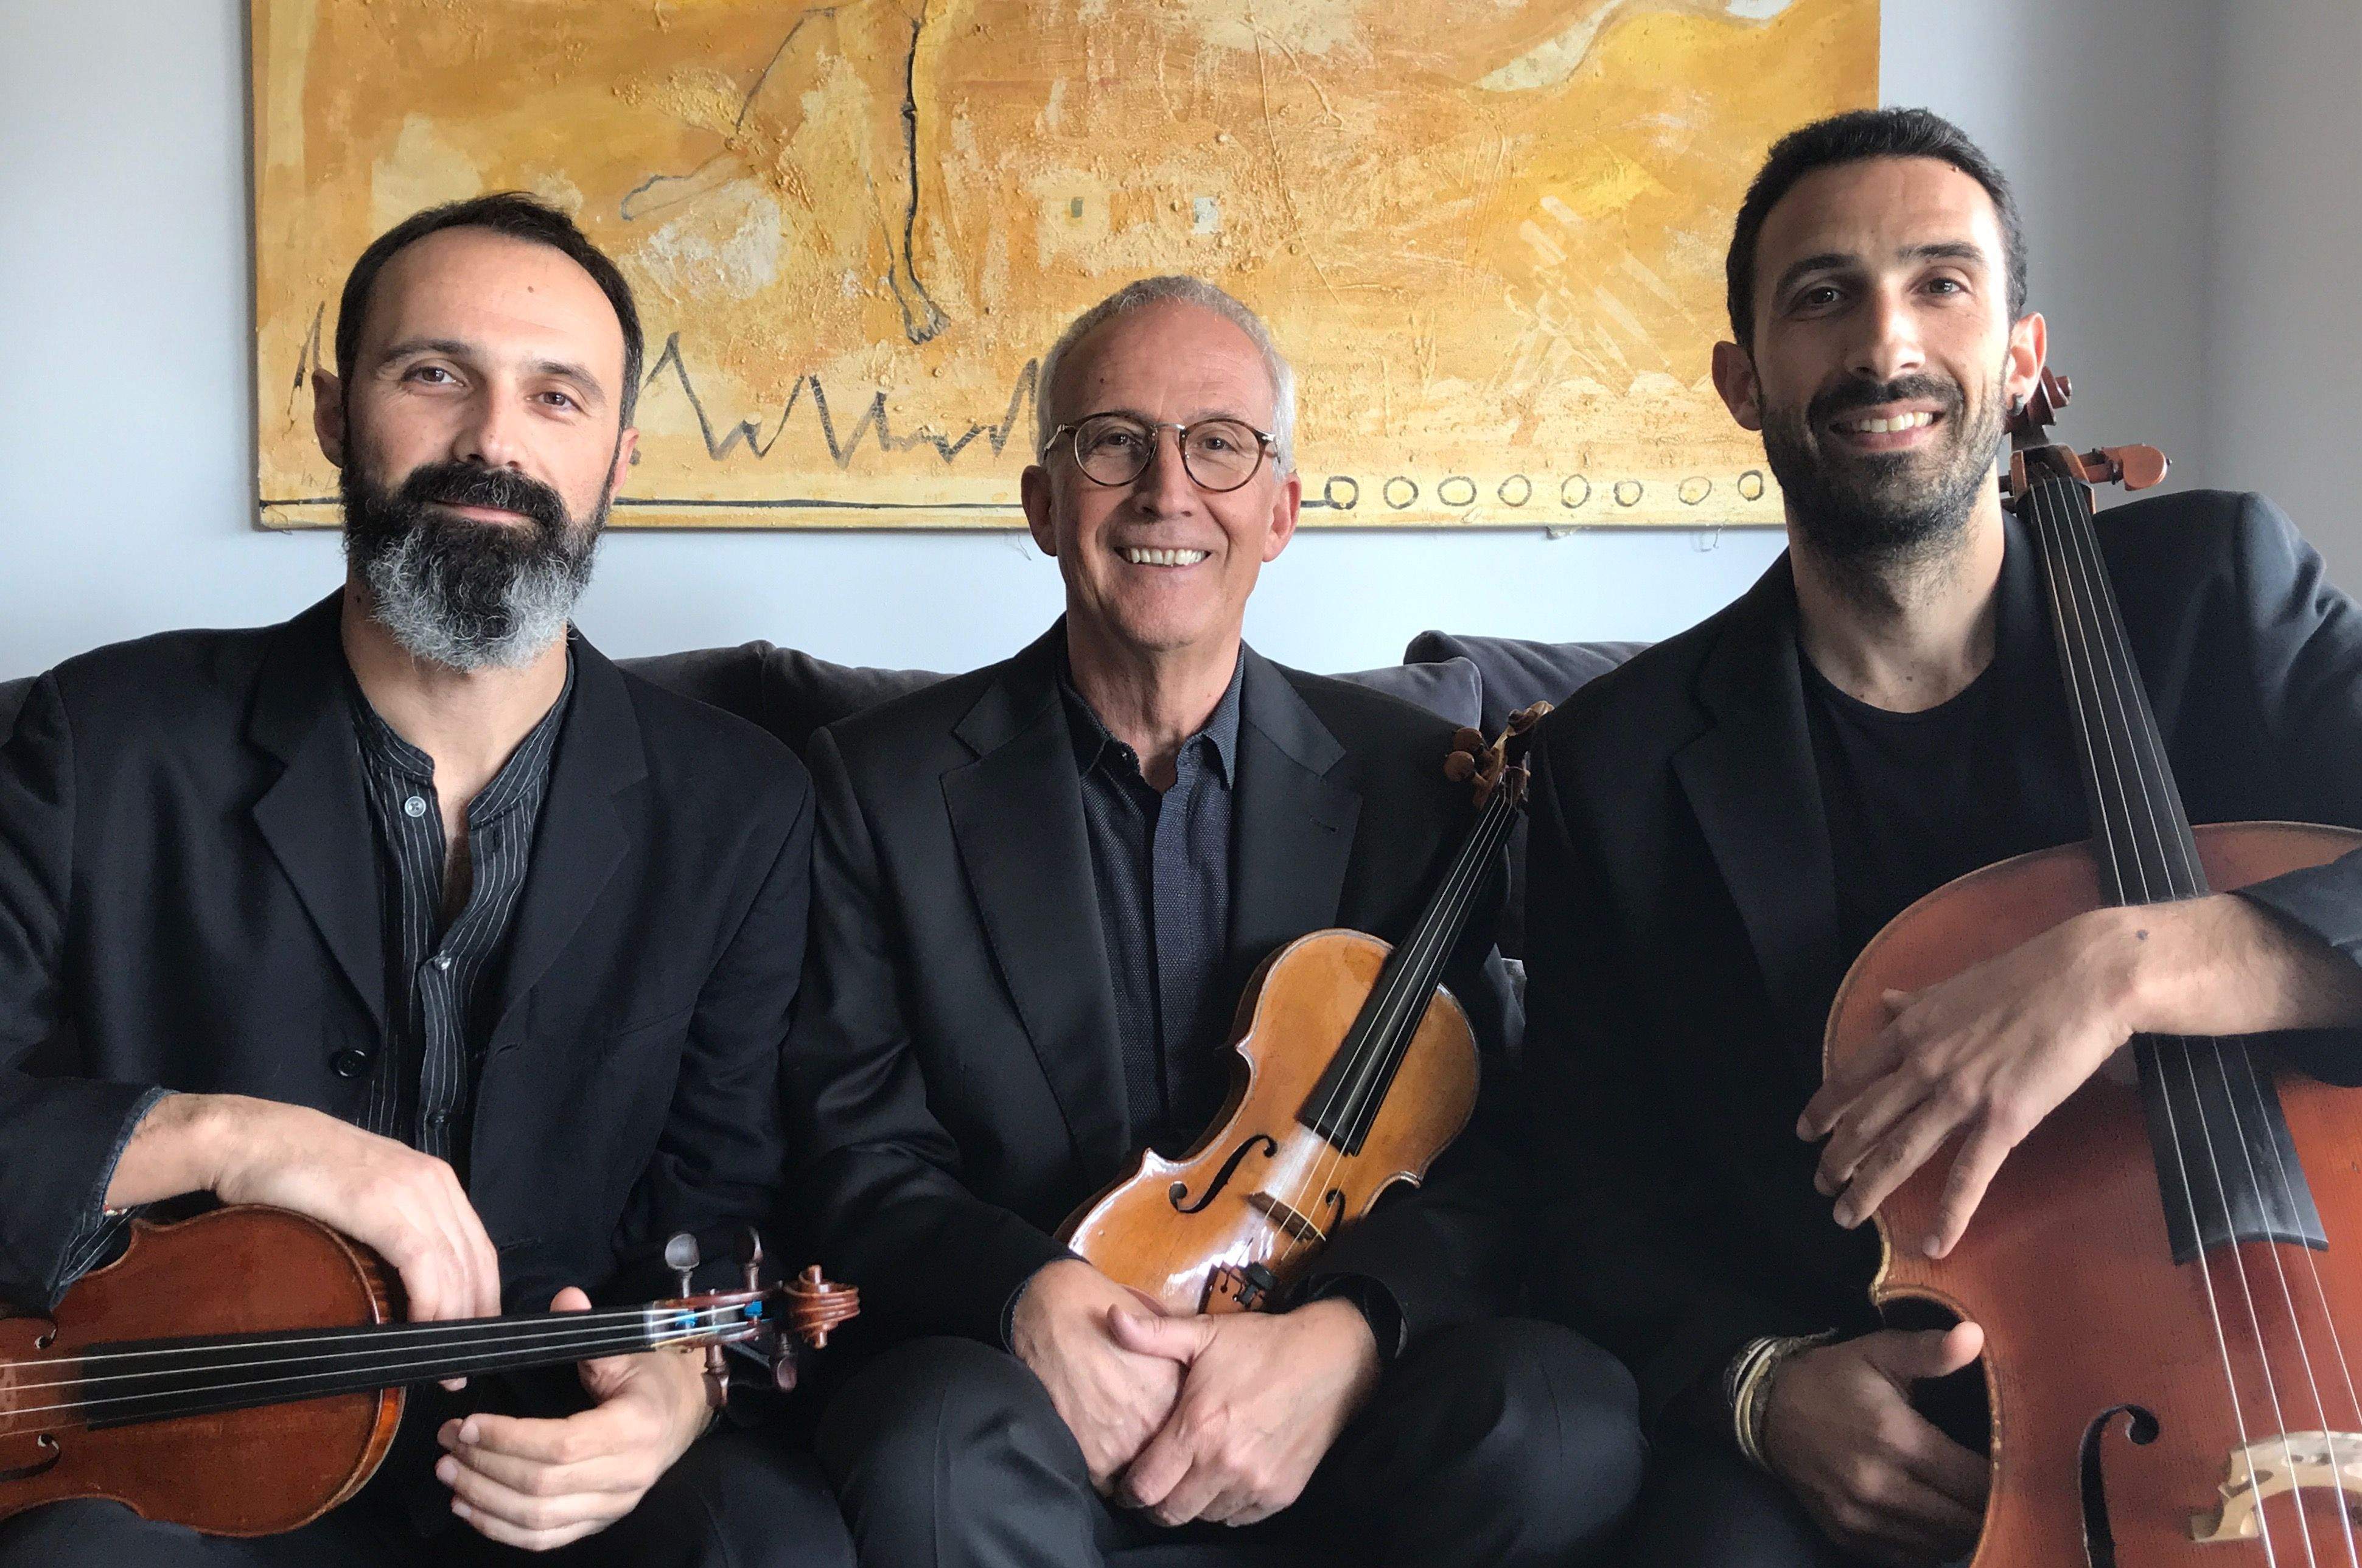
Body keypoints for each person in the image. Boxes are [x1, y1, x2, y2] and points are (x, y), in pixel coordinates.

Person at [1519, 105, 2362, 1568]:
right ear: (1742, 379)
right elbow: (1588, 1188)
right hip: (1876, 1418)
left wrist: (2136, 962)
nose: (1885, 344)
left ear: (2022, 353)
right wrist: (1756, 1383)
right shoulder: (1621, 761)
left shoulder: (2221, 590)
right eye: (1822, 295)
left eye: (1939, 282)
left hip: (2308, 1345)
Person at [0, 194, 851, 1567]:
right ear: (337, 414)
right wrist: (239, 1138)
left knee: (771, 1539)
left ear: (616, 458)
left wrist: (677, 1402)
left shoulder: (739, 803)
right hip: (178, 1453)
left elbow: (722, 1198)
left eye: (555, 396)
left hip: (536, 1461)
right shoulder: (104, 738)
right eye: (434, 374)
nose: (492, 443)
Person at [786, 275, 1643, 1568]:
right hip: (1034, 1399)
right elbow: (854, 1146)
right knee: (934, 1450)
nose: (1167, 491)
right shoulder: (876, 785)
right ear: (1041, 504)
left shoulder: (1429, 784)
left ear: (1281, 510)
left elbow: (1507, 1142)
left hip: (1341, 1402)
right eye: (1112, 442)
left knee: (1564, 1423)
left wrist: (1348, 1336)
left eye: (1220, 445)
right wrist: (1029, 1297)